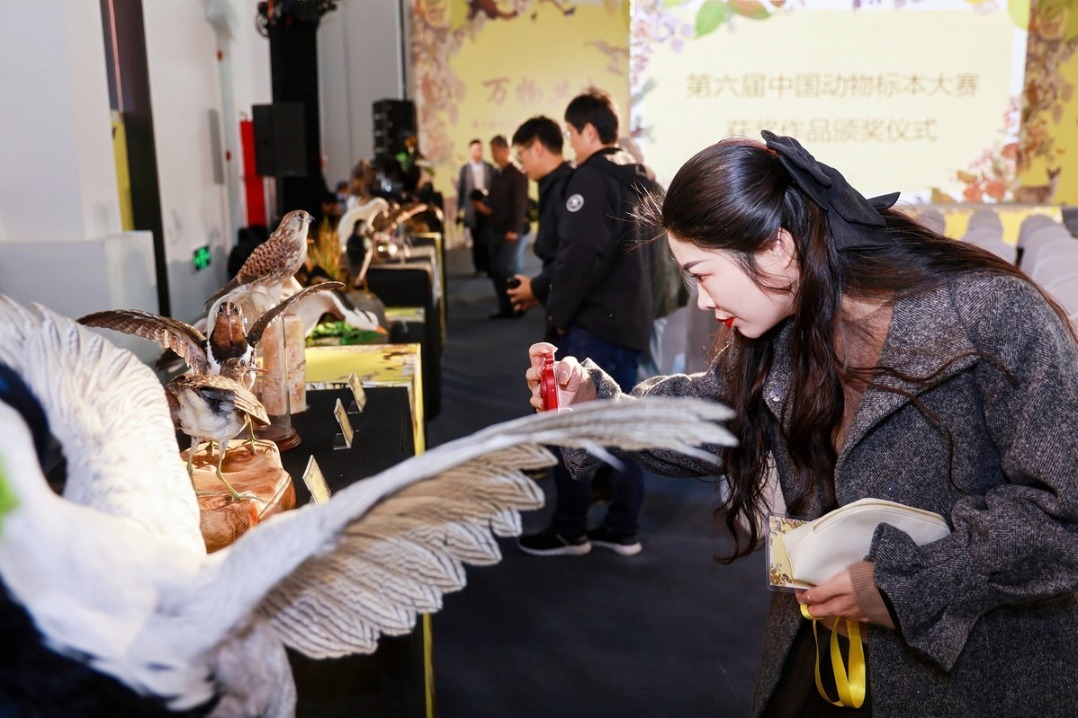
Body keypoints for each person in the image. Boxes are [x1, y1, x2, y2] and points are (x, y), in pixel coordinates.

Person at [524, 131, 1078, 716]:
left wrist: (908, 583)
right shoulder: (785, 325)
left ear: (777, 249)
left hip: (978, 669)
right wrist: (594, 407)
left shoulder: (993, 316)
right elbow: (709, 418)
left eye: (703, 274)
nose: (702, 300)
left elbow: (1063, 512)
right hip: (824, 640)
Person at [515, 89, 655, 557]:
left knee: (573, 431)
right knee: (621, 429)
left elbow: (578, 257)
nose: (571, 144)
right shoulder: (640, 176)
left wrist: (557, 315)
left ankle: (571, 528)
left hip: (594, 326)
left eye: (573, 134)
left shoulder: (592, 180)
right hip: (630, 323)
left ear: (589, 131)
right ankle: (622, 526)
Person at [507, 116, 574, 340]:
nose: (521, 164)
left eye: (521, 155)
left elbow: (571, 257)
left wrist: (536, 288)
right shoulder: (555, 183)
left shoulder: (568, 188)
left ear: (537, 148)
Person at [479, 134, 530, 319]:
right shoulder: (497, 173)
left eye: (494, 150)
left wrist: (514, 230)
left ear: (505, 150)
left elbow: (520, 205)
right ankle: (506, 307)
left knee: (505, 269)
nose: (492, 154)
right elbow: (495, 199)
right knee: (496, 269)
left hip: (509, 231)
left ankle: (519, 304)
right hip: (495, 228)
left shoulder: (517, 175)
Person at [456, 138, 496, 275]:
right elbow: (461, 191)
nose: (477, 152)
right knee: (476, 240)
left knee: (488, 239)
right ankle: (479, 268)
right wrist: (458, 210)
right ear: (470, 151)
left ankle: (489, 267)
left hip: (487, 208)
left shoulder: (489, 168)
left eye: (479, 149)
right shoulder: (464, 169)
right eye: (475, 150)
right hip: (472, 210)